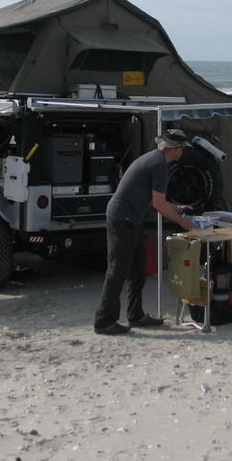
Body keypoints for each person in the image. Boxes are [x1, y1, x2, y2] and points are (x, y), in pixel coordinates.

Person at [93, 128, 198, 335]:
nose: (182, 152)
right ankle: (104, 321)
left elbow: (154, 198)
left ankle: (136, 315)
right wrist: (184, 224)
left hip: (130, 218)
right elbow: (158, 204)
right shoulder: (159, 165)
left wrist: (178, 209)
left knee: (138, 267)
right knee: (117, 270)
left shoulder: (155, 159)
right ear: (176, 150)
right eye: (182, 149)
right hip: (123, 218)